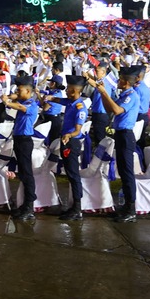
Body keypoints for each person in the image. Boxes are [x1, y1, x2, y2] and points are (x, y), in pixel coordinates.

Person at [89, 66, 141, 222]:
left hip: (126, 135)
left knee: (127, 172)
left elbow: (118, 111)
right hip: (120, 134)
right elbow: (109, 108)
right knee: (123, 171)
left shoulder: (131, 95)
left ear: (125, 82)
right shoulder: (124, 94)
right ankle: (126, 207)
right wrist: (102, 93)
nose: (118, 81)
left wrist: (105, 93)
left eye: (120, 79)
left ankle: (131, 209)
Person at [47, 74, 88, 220]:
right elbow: (59, 100)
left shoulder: (80, 108)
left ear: (75, 91)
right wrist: (48, 97)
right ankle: (74, 207)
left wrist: (68, 135)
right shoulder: (71, 102)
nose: (66, 91)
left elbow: (77, 130)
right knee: (70, 174)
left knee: (73, 174)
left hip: (71, 142)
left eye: (69, 89)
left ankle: (77, 209)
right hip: (66, 140)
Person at [2, 75, 40, 220]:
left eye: (20, 90)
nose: (17, 93)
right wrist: (9, 96)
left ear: (28, 92)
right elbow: (16, 98)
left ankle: (29, 206)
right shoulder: (24, 99)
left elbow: (19, 107)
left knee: (27, 173)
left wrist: (7, 101)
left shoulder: (31, 104)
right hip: (19, 140)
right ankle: (25, 205)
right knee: (23, 173)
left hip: (25, 141)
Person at [88, 61, 114, 146]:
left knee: (100, 137)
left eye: (97, 71)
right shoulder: (102, 80)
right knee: (97, 135)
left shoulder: (104, 82)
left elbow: (96, 85)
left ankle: (100, 152)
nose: (96, 73)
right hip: (98, 112)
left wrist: (87, 78)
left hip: (101, 114)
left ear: (103, 72)